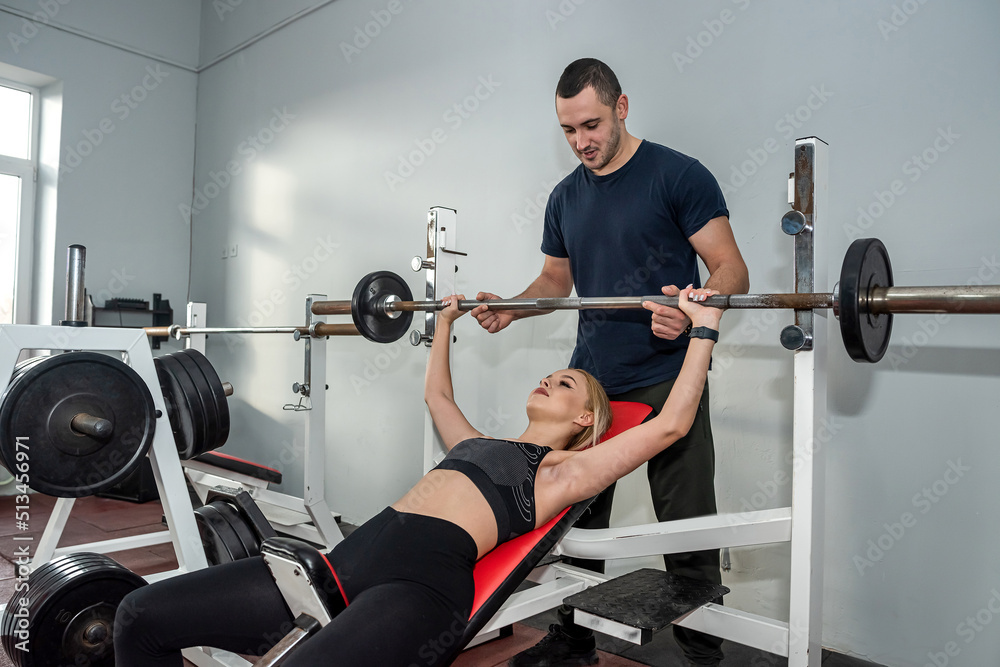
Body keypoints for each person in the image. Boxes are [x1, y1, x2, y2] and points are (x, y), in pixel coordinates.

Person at [113, 288, 722, 667]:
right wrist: (447, 323)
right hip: (337, 567)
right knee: (139, 616)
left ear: (585, 419)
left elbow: (669, 426)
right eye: (550, 374)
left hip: (418, 592)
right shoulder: (479, 443)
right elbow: (437, 395)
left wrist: (704, 328)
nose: (547, 379)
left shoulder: (564, 472)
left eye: (565, 383)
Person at [472, 58, 749, 667]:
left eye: (591, 125)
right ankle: (574, 642)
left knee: (687, 523)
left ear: (622, 107)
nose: (581, 143)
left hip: (668, 378)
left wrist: (692, 307)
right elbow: (553, 280)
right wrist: (511, 310)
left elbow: (730, 269)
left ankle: (703, 655)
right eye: (569, 131)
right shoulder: (565, 196)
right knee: (575, 517)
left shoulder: (678, 175)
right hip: (593, 383)